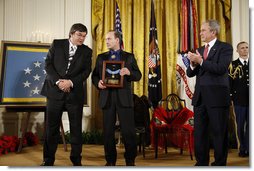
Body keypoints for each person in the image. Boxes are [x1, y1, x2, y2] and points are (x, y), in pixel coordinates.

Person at [40, 23, 92, 166]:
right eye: (79, 35)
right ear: (71, 34)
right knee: (51, 129)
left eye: (84, 36)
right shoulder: (57, 44)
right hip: (54, 92)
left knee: (76, 129)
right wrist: (59, 82)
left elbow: (86, 71)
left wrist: (70, 82)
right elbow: (48, 64)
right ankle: (48, 160)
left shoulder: (87, 51)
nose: (82, 38)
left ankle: (76, 161)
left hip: (74, 94)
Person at [186, 19, 233, 166]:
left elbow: (220, 69)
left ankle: (219, 163)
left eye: (203, 30)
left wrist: (200, 61)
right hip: (200, 98)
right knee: (200, 133)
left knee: (219, 133)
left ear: (213, 32)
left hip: (217, 97)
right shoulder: (199, 50)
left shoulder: (225, 48)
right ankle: (201, 163)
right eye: (200, 31)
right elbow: (190, 73)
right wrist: (193, 64)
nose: (200, 33)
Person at [92, 30, 142, 166]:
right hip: (107, 97)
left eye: (109, 39)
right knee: (108, 132)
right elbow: (95, 76)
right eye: (106, 39)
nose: (106, 41)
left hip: (124, 98)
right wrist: (98, 83)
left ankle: (130, 160)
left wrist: (129, 72)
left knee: (128, 132)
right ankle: (110, 161)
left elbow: (138, 75)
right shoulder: (101, 57)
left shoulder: (129, 57)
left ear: (117, 40)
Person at [228, 41, 249, 157]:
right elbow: (229, 83)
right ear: (237, 51)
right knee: (240, 125)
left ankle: (249, 148)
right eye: (242, 48)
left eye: (246, 47)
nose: (245, 50)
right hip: (239, 101)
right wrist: (231, 98)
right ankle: (243, 148)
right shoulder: (233, 65)